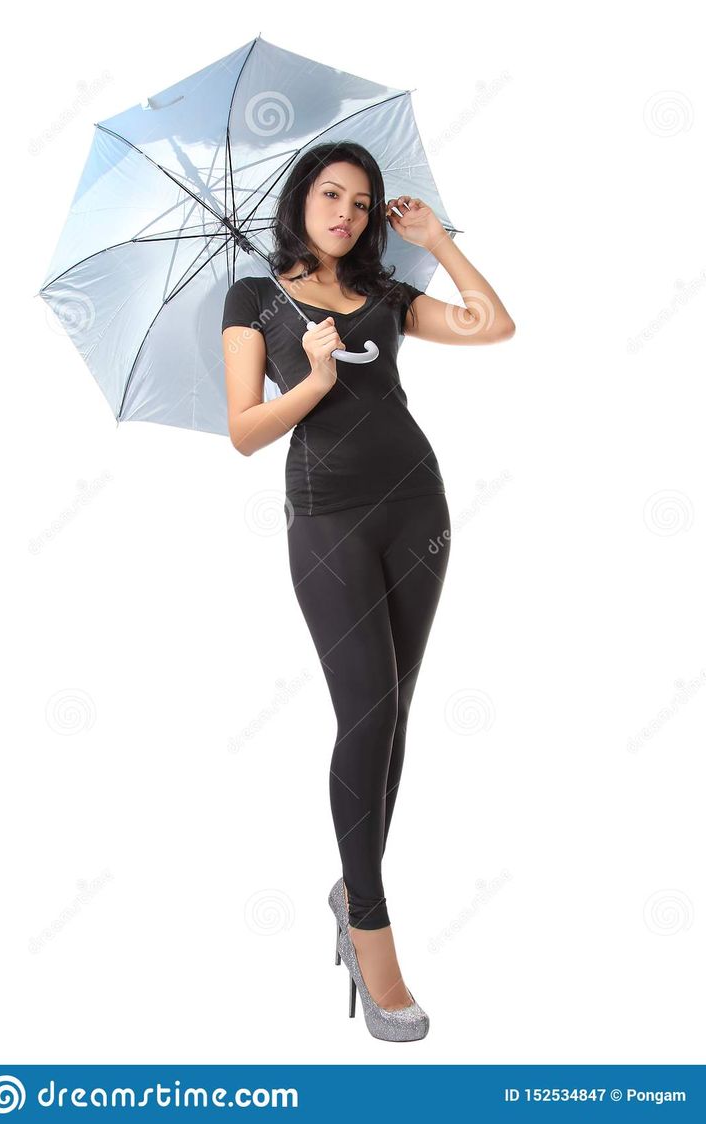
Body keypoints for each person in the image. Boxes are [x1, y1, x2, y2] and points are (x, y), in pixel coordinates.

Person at [221, 142, 515, 1041]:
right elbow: (242, 430)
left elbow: (490, 325)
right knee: (369, 714)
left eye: (362, 200)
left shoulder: (385, 297)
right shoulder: (253, 298)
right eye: (329, 194)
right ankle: (369, 923)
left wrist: (437, 239)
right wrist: (310, 377)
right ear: (300, 200)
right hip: (327, 515)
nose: (345, 211)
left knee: (396, 713)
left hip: (416, 505)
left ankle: (354, 881)